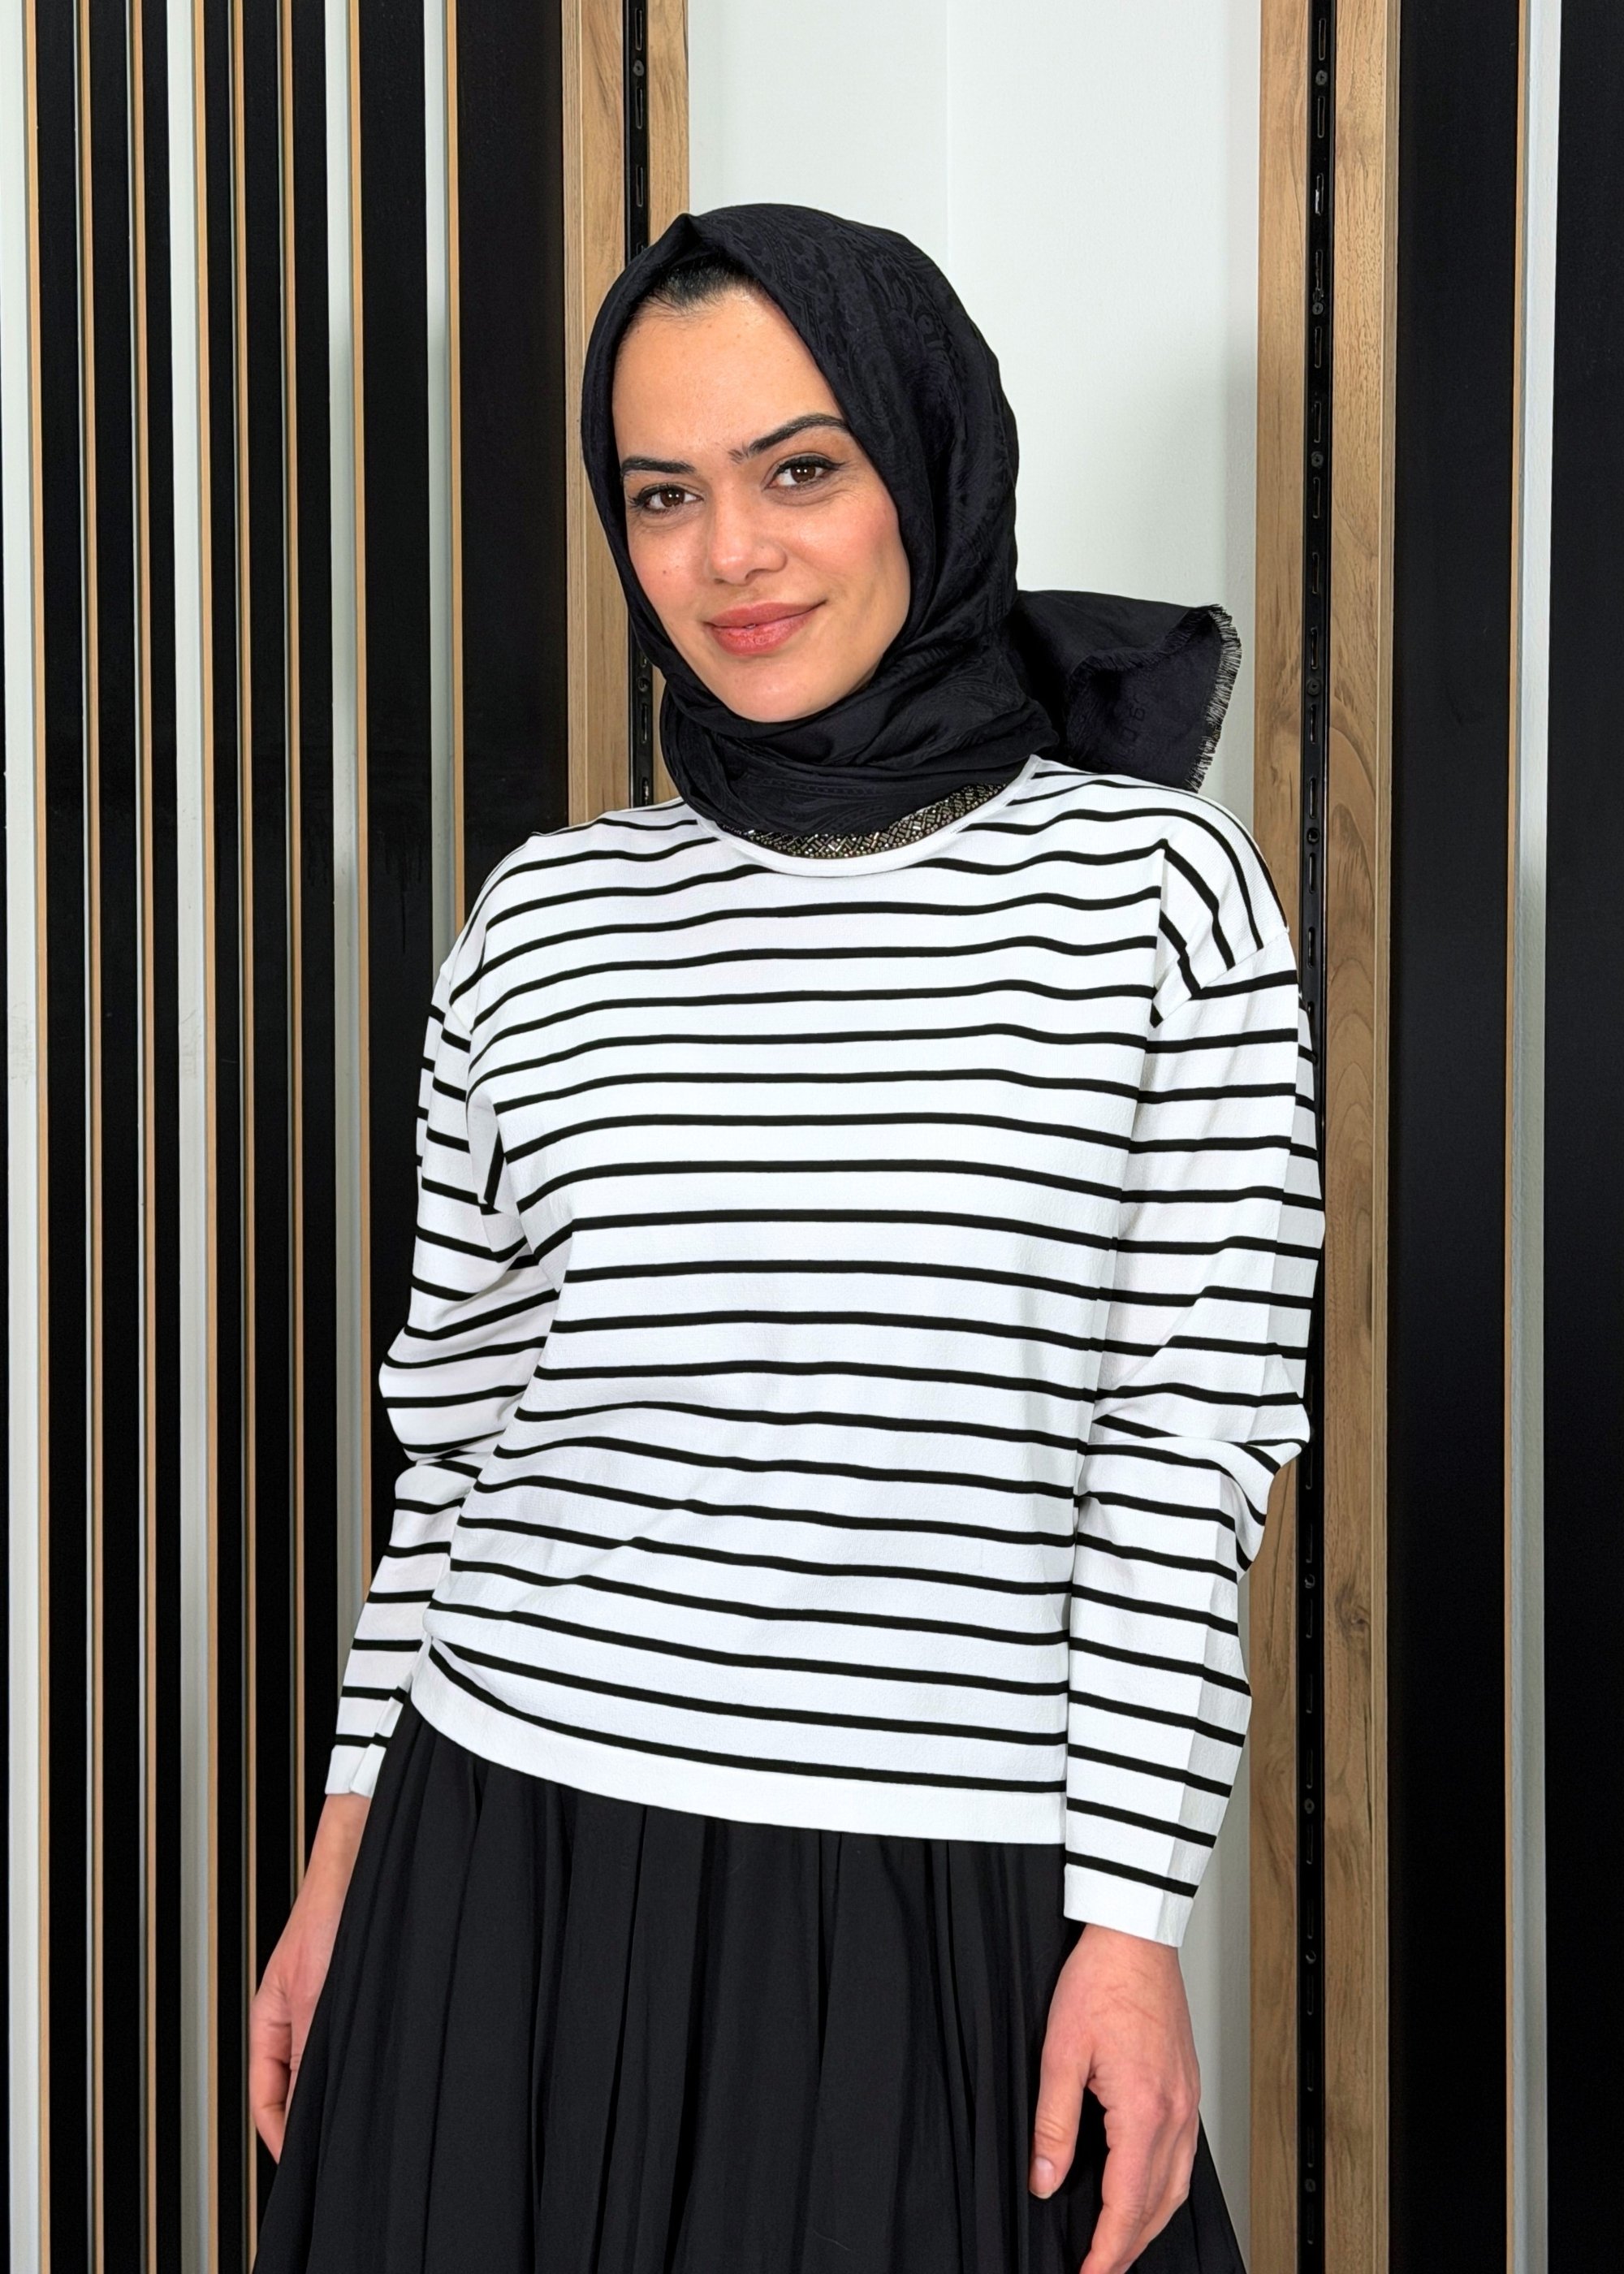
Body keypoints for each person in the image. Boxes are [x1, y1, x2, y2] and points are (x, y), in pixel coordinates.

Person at [250, 203, 1324, 2274]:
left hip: (940, 1886)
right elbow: (456, 1445)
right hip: (504, 1856)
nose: (729, 554)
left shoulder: (1156, 897)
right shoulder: (544, 920)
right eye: (662, 492)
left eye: (799, 467)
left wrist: (1130, 1926)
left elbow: (1184, 1455)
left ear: (926, 461)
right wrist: (341, 1862)